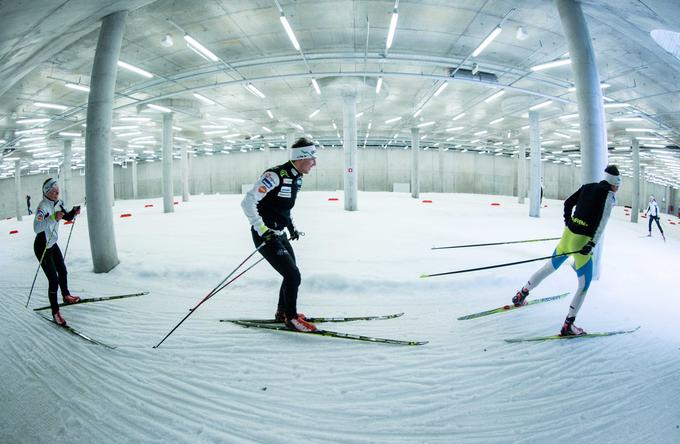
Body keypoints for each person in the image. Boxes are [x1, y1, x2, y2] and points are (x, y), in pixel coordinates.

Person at [512, 165, 621, 336]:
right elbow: (601, 224)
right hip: (582, 243)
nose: (618, 189)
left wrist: (568, 222)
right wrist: (592, 244)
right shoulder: (609, 196)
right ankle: (568, 325)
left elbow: (568, 203)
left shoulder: (588, 186)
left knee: (549, 267)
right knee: (584, 286)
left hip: (567, 236)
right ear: (614, 183)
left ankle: (521, 294)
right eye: (618, 185)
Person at [241, 137, 318, 332]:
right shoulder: (275, 175)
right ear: (302, 158)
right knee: (293, 275)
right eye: (312, 159)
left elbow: (284, 207)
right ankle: (291, 319)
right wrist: (263, 230)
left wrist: (291, 227)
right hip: (265, 235)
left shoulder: (297, 178)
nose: (314, 163)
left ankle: (282, 312)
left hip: (279, 234)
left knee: (291, 275)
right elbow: (248, 202)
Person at [33, 178, 81, 326]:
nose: (56, 193)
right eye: (53, 191)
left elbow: (65, 216)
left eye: (57, 191)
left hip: (52, 244)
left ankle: (66, 295)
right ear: (47, 192)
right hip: (42, 247)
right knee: (53, 280)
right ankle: (55, 312)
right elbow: (37, 228)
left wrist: (73, 212)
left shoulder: (58, 203)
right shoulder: (42, 207)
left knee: (63, 271)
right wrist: (53, 217)